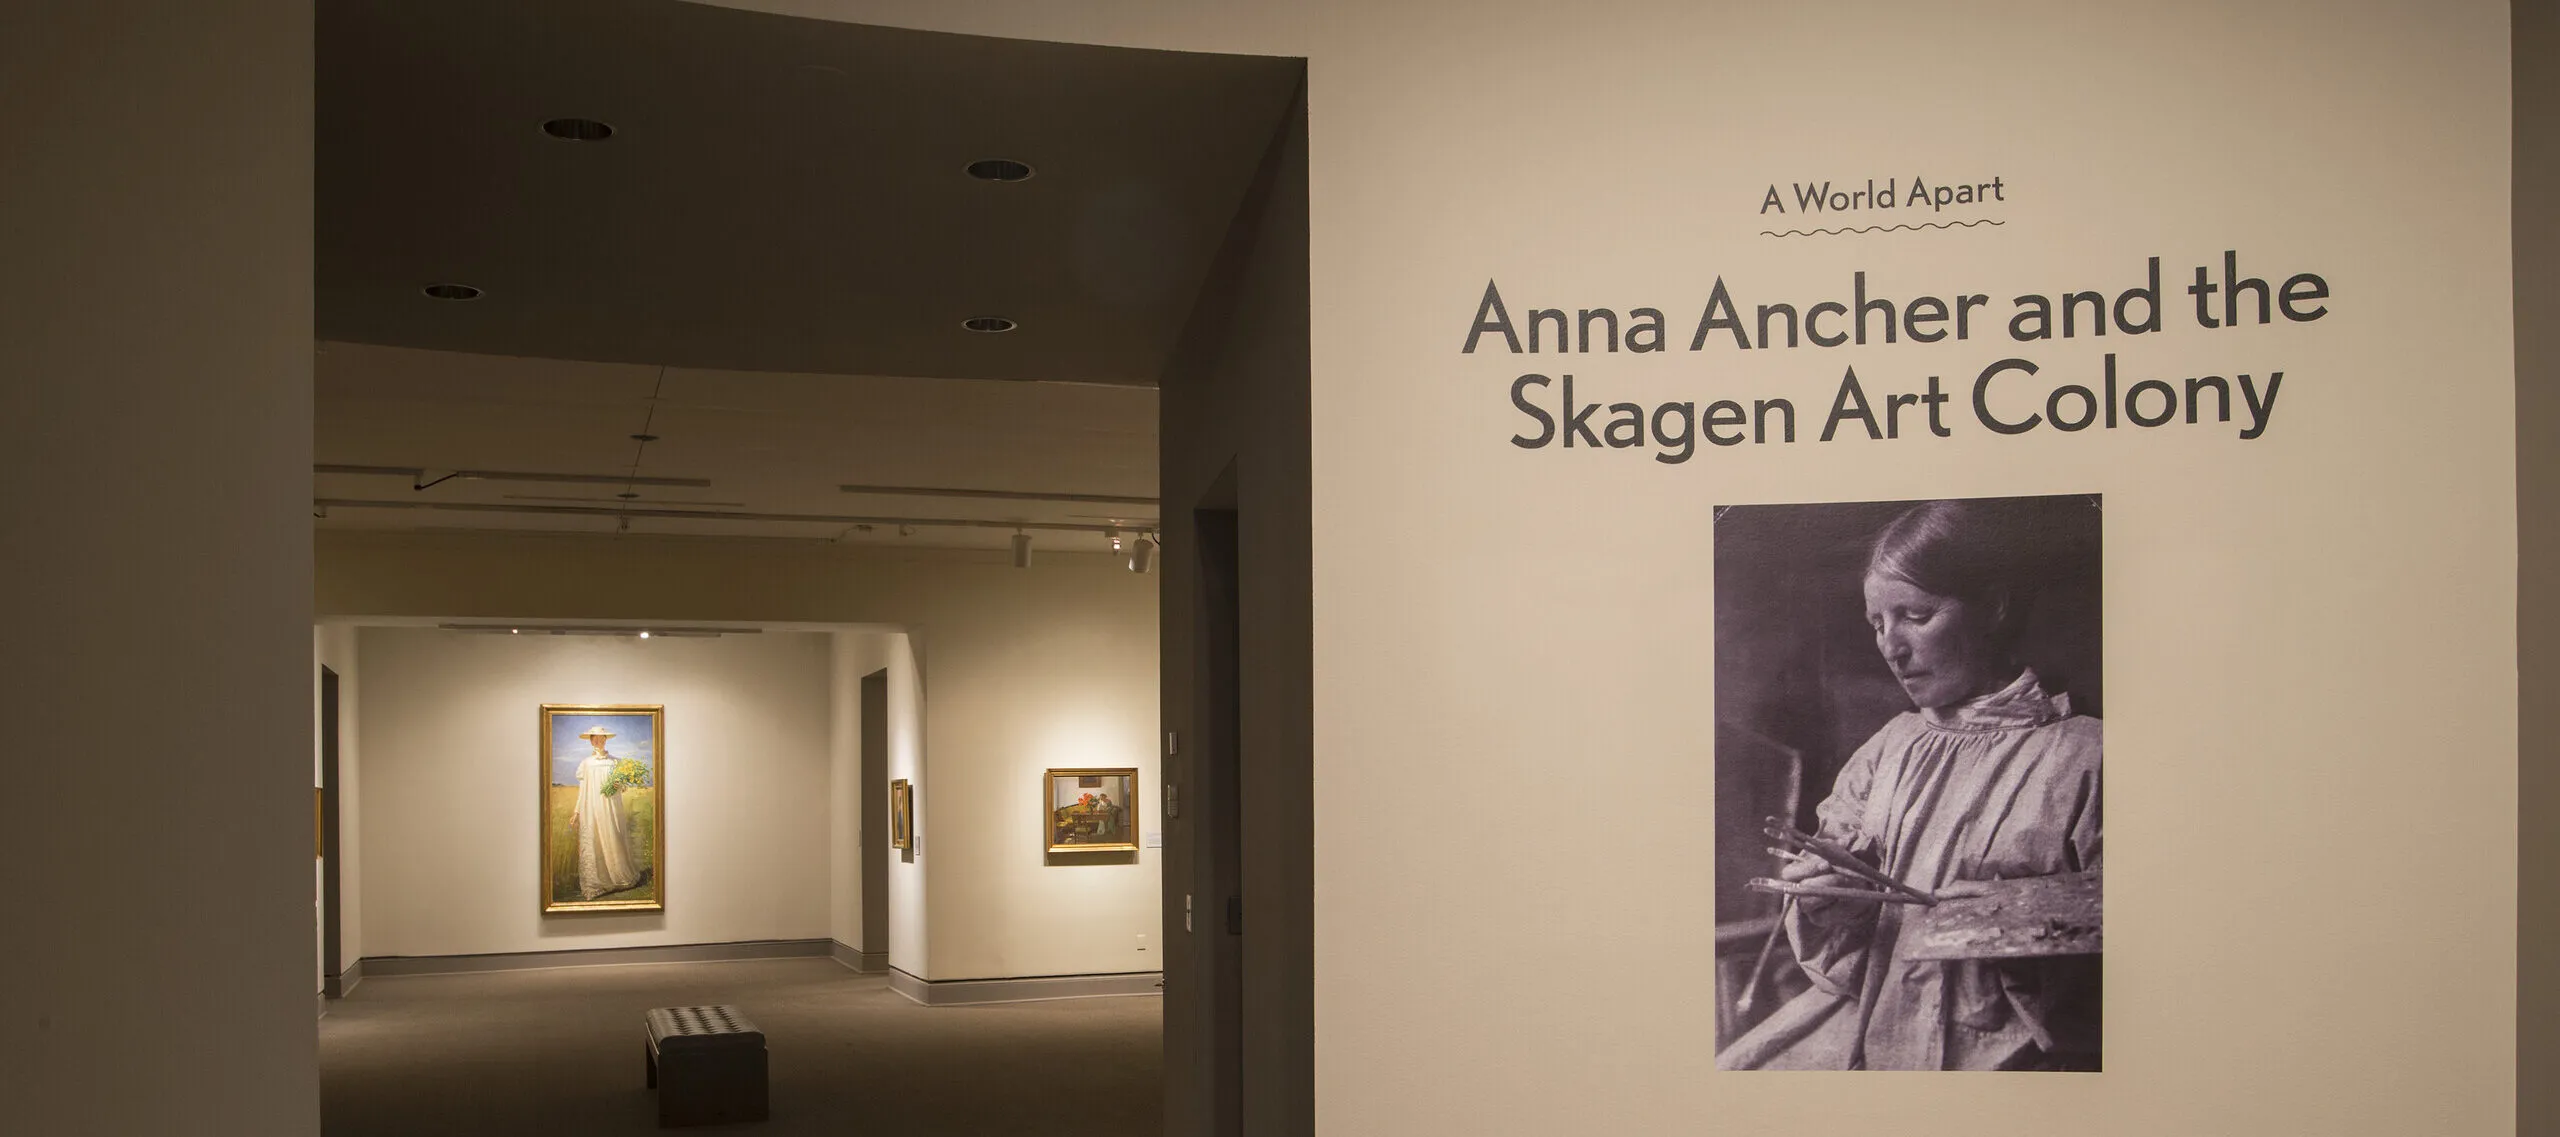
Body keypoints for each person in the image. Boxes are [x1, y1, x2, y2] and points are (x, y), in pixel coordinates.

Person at [1718, 498, 2102, 1071]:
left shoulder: (2087, 755)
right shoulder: (1886, 750)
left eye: (1916, 616)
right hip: (1877, 1032)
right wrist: (1829, 902)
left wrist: (2022, 911)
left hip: (2018, 1061)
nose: (1891, 648)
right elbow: (1846, 957)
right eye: (1877, 623)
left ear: (1991, 607)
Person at [569, 724, 644, 900]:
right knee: (594, 841)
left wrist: (620, 785)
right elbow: (582, 791)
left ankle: (618, 877)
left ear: (605, 739)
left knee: (613, 837)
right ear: (590, 741)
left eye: (600, 737)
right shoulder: (585, 764)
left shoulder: (615, 762)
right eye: (593, 738)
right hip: (592, 809)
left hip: (610, 808)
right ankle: (597, 882)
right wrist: (576, 812)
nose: (597, 740)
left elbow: (623, 788)